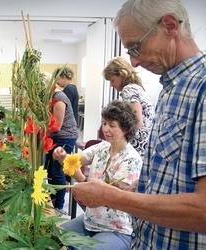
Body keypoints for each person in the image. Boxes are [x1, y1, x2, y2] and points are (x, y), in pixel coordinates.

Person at [72, 0, 206, 249]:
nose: (133, 62)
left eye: (135, 47)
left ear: (169, 26)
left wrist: (112, 196)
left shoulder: (202, 89)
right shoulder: (170, 88)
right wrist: (138, 187)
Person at [54, 100, 142, 250]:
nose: (105, 129)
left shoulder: (131, 159)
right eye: (105, 123)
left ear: (126, 129)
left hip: (115, 229)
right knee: (54, 237)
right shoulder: (102, 147)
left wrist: (81, 180)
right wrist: (62, 156)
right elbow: (73, 161)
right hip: (90, 221)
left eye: (112, 125)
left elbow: (110, 198)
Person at [102, 57, 155, 157]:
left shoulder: (128, 90)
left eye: (112, 80)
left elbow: (136, 122)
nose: (111, 85)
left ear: (122, 74)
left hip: (136, 147)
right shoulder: (138, 88)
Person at [43, 72, 79, 214]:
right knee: (51, 170)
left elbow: (57, 126)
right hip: (57, 137)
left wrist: (40, 132)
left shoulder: (59, 98)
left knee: (58, 171)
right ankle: (52, 199)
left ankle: (58, 206)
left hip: (65, 137)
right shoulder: (52, 97)